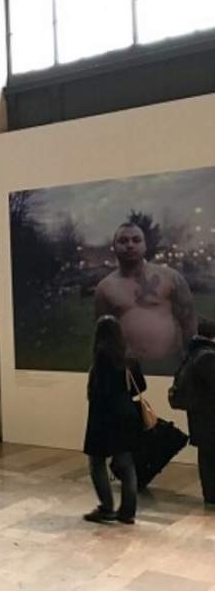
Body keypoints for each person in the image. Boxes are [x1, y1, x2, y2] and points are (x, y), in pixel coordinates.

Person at [95, 222, 197, 374]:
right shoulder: (105, 287)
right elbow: (103, 334)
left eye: (136, 240)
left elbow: (189, 322)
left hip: (171, 364)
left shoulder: (170, 277)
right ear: (114, 247)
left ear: (145, 245)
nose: (130, 245)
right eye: (123, 241)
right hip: (127, 369)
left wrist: (193, 361)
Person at [83, 315, 145, 524]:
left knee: (97, 461)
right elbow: (141, 385)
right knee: (126, 463)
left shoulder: (101, 356)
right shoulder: (129, 357)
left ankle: (106, 507)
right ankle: (128, 512)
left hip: (104, 415)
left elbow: (100, 390)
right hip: (127, 413)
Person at [169, 317, 215, 507]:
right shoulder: (208, 357)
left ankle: (210, 495)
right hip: (210, 417)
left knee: (207, 457)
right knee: (210, 458)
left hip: (200, 416)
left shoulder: (194, 353)